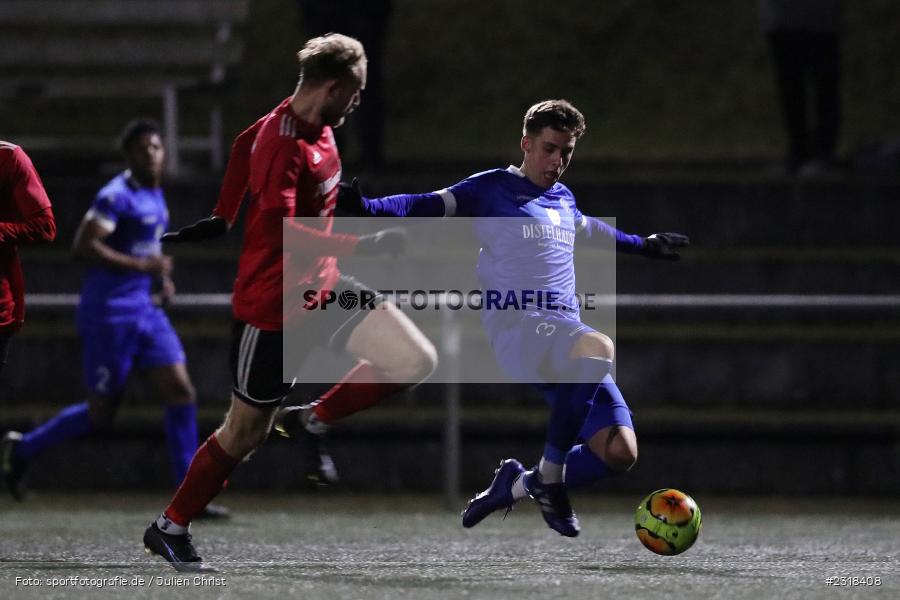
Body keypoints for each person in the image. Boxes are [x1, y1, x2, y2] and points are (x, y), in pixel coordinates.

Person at [142, 33, 436, 571]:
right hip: (274, 308)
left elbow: (239, 142)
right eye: (356, 92)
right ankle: (170, 526)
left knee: (414, 359)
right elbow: (283, 232)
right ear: (333, 87)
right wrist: (362, 243)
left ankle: (311, 420)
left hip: (322, 288)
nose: (359, 102)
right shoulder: (284, 145)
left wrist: (225, 212)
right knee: (243, 433)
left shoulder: (311, 123)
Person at [338, 99, 689, 537]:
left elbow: (591, 229)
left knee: (619, 452)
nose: (557, 161)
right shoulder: (491, 189)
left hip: (564, 336)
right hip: (520, 327)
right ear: (526, 143)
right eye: (549, 148)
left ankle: (521, 484)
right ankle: (553, 480)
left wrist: (644, 244)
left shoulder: (563, 198)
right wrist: (368, 208)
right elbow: (425, 203)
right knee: (599, 345)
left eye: (566, 152)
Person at [0, 122, 226, 518]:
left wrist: (162, 278)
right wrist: (142, 264)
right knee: (101, 413)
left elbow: (151, 246)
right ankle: (23, 448)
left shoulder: (156, 194)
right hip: (110, 314)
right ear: (129, 156)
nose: (152, 153)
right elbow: (84, 245)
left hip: (146, 310)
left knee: (181, 392)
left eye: (156, 146)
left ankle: (189, 493)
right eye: (143, 148)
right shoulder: (115, 196)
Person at [759, 0, 843, 176]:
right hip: (788, 17)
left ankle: (823, 151)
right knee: (791, 86)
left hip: (818, 18)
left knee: (822, 84)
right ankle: (800, 150)